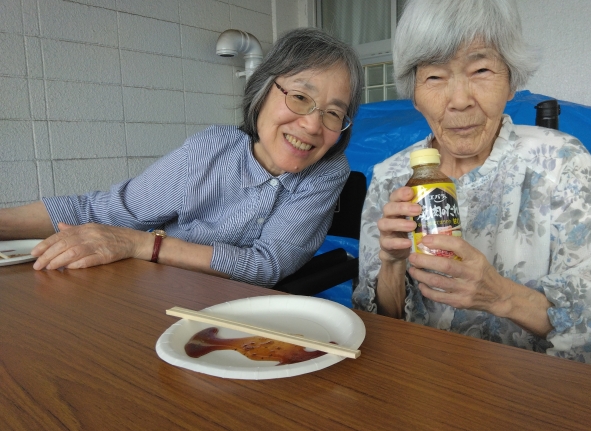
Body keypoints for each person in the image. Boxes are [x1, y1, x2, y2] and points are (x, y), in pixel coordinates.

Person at [352, 0, 591, 367]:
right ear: (414, 94)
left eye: (481, 71)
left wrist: (500, 295)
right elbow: (380, 326)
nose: (459, 100)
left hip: (527, 389)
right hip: (420, 380)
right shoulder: (391, 176)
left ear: (511, 82)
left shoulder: (562, 163)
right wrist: (392, 264)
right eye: (434, 77)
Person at [0, 28, 363, 287]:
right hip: (159, 289)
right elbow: (102, 211)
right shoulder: (210, 150)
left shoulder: (327, 172)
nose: (313, 125)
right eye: (300, 97)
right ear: (263, 90)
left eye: (334, 113)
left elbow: (266, 265)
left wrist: (142, 243)